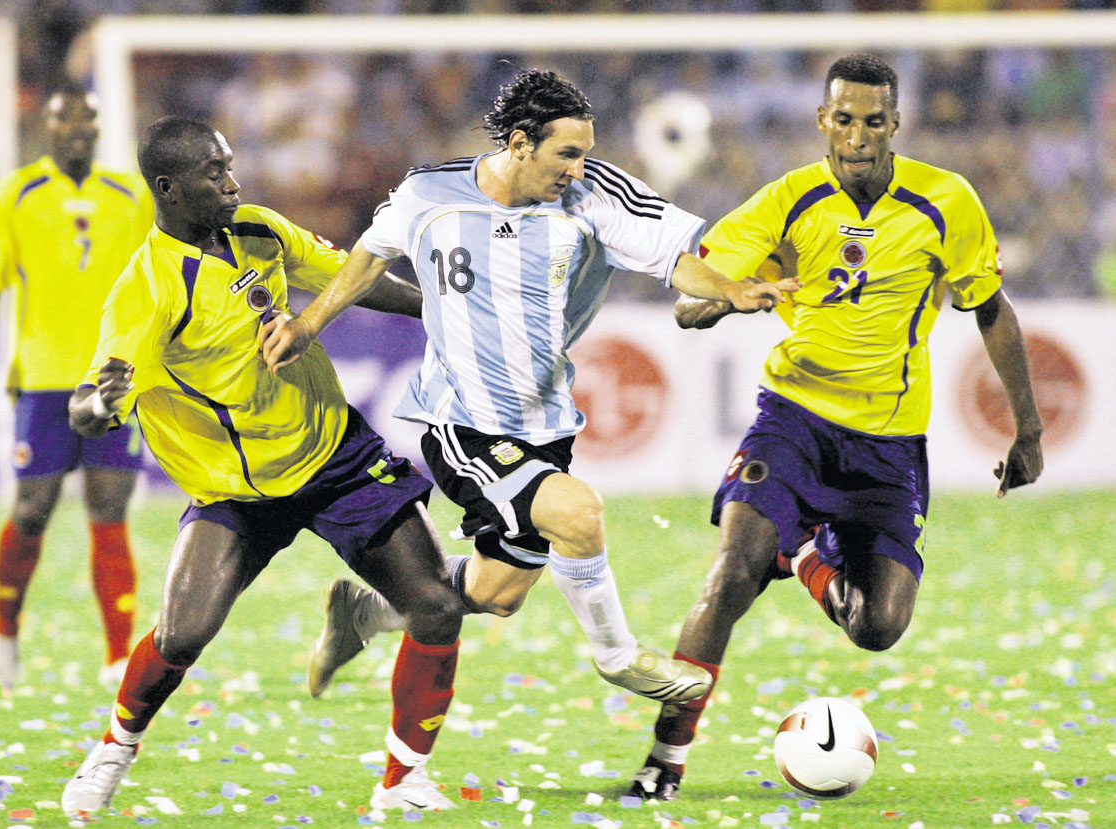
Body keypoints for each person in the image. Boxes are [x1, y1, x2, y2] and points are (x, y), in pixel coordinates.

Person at [261, 68, 797, 704]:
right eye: (566, 153)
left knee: (497, 594)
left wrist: (731, 289)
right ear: (519, 144)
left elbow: (676, 261)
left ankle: (366, 613)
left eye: (585, 154)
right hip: (463, 421)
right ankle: (619, 657)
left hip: (543, 422)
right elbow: (370, 255)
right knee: (578, 513)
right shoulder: (429, 194)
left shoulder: (593, 197)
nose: (578, 168)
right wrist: (309, 323)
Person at [627, 53, 1044, 802]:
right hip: (791, 420)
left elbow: (988, 307)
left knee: (876, 625)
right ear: (822, 118)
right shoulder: (786, 200)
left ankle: (810, 553)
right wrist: (733, 296)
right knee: (731, 572)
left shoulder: (945, 201)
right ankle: (664, 757)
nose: (856, 133)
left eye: (872, 120)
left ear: (895, 123)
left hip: (888, 441)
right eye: (842, 117)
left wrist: (1029, 428)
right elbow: (690, 299)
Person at [59, 116, 465, 815]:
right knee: (183, 632)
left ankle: (404, 780)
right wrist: (99, 404)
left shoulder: (258, 229)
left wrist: (445, 311)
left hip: (333, 451)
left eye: (229, 165)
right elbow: (89, 400)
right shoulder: (148, 288)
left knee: (434, 604)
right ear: (169, 188)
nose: (232, 182)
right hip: (234, 488)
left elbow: (351, 278)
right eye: (214, 174)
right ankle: (114, 748)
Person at [0, 83, 154, 687]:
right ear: (48, 128)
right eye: (66, 121)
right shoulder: (18, 192)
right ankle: (5, 629)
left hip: (114, 376)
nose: (78, 130)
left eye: (88, 120)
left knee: (109, 508)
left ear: (100, 128)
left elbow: (157, 273)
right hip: (43, 378)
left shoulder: (129, 194)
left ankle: (117, 656)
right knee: (32, 510)